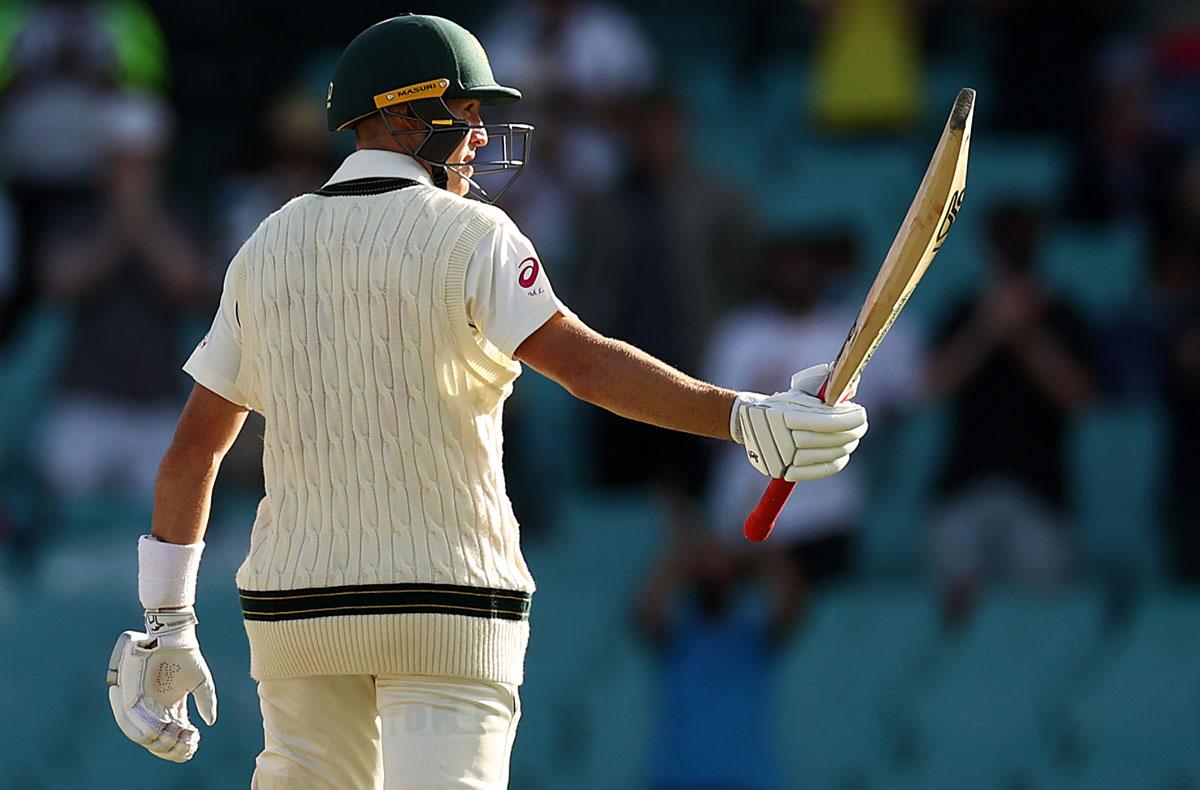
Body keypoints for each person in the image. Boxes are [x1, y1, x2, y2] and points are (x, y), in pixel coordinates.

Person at [104, 14, 869, 788]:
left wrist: (168, 622)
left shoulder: (265, 246)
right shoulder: (475, 234)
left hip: (299, 616)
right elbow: (590, 368)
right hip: (446, 605)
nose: (478, 136)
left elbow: (193, 451)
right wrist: (743, 416)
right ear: (401, 114)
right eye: (465, 113)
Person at [926, 202, 1096, 624]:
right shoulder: (964, 311)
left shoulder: (1065, 313)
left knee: (1039, 622)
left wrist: (1024, 334)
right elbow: (933, 385)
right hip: (964, 483)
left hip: (1040, 489)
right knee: (955, 619)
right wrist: (986, 329)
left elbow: (1079, 397)